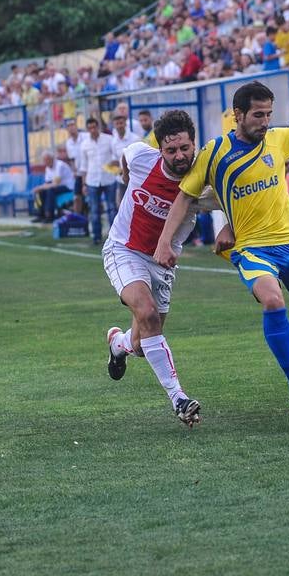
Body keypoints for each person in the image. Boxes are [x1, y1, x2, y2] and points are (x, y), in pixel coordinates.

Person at [154, 78, 289, 415]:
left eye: (268, 115)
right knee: (273, 300)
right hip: (251, 248)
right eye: (258, 115)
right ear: (238, 114)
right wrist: (165, 243)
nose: (265, 122)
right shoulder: (214, 152)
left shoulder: (278, 139)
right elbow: (185, 196)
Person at [103, 110, 231, 428]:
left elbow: (234, 198)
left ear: (194, 144)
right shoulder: (141, 157)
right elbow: (125, 154)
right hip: (124, 250)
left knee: (141, 345)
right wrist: (124, 178)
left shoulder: (202, 181)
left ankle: (118, 345)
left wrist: (229, 226)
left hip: (163, 264)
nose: (179, 156)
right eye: (171, 150)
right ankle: (179, 399)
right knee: (146, 315)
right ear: (160, 149)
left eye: (185, 148)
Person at [79, 117, 117, 245]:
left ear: (98, 127)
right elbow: (83, 166)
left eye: (94, 127)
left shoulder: (109, 139)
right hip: (92, 180)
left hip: (109, 178)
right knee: (94, 210)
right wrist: (84, 184)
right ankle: (97, 237)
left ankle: (114, 237)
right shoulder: (84, 144)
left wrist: (114, 163)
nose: (93, 130)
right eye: (90, 128)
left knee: (112, 208)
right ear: (87, 129)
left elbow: (115, 156)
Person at [31, 149, 75, 223]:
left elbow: (55, 184)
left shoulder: (59, 165)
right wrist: (39, 188)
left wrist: (40, 187)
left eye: (46, 160)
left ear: (51, 159)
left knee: (50, 190)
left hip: (67, 186)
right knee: (41, 192)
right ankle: (41, 215)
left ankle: (49, 215)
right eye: (44, 160)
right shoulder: (47, 168)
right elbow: (47, 183)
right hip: (58, 185)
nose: (45, 162)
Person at [110, 110, 141, 206]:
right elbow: (115, 157)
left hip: (133, 179)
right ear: (114, 125)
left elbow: (138, 159)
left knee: (134, 205)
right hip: (120, 179)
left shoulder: (135, 139)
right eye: (117, 123)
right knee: (121, 205)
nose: (119, 125)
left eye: (121, 123)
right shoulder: (113, 141)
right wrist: (114, 168)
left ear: (125, 123)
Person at [65, 119, 86, 214]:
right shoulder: (68, 143)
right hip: (78, 173)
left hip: (89, 172)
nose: (71, 128)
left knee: (90, 196)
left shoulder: (85, 137)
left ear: (76, 126)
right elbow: (71, 159)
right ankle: (77, 218)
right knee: (77, 197)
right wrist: (73, 171)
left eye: (73, 125)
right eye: (69, 126)